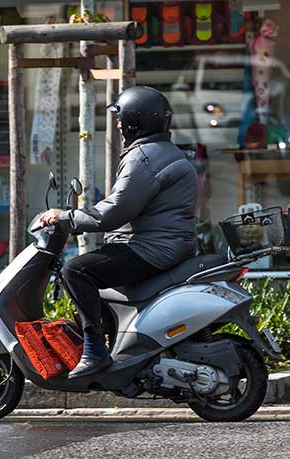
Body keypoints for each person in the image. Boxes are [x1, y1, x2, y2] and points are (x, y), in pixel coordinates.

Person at [39, 86, 199, 378]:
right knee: (98, 275)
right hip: (168, 245)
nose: (117, 125)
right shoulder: (163, 152)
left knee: (77, 271)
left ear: (133, 123)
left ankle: (95, 351)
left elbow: (113, 213)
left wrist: (66, 217)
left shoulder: (145, 158)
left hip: (152, 249)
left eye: (120, 119)